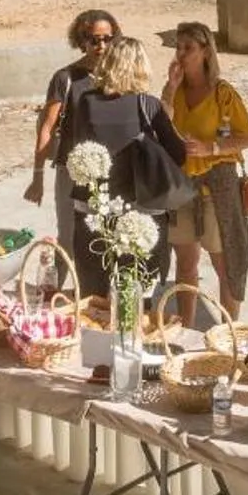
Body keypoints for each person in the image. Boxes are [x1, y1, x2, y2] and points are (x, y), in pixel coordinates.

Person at [56, 35, 187, 299]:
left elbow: (78, 143)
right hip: (137, 214)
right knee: (136, 297)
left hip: (93, 210)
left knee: (93, 297)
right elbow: (179, 154)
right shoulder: (147, 105)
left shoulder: (86, 103)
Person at [164, 20, 248, 314]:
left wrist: (211, 148)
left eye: (188, 48)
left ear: (205, 52)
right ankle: (184, 332)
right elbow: (161, 121)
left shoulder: (222, 93)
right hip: (181, 184)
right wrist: (170, 86)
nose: (181, 53)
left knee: (225, 263)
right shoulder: (176, 90)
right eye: (178, 47)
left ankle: (229, 336)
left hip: (217, 185)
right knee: (186, 264)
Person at [26, 8, 120, 253]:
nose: (101, 45)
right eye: (94, 39)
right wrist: (37, 178)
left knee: (107, 239)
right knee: (68, 237)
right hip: (71, 169)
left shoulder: (120, 75)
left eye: (107, 39)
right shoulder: (65, 78)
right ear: (82, 41)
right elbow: (46, 127)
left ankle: (100, 292)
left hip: (111, 170)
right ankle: (62, 290)